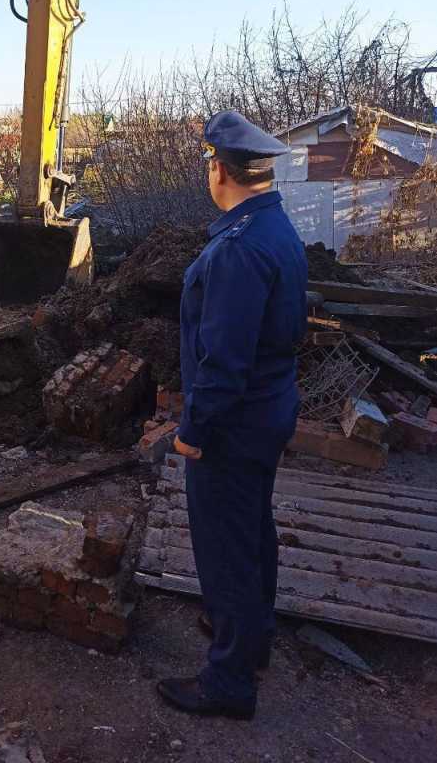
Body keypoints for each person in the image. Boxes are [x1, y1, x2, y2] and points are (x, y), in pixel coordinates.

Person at [156, 110, 307, 721]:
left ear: (219, 169)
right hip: (267, 411)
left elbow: (224, 362)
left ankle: (230, 681)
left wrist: (194, 432)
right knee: (252, 530)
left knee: (226, 547)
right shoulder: (272, 227)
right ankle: (247, 632)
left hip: (234, 425)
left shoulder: (239, 251)